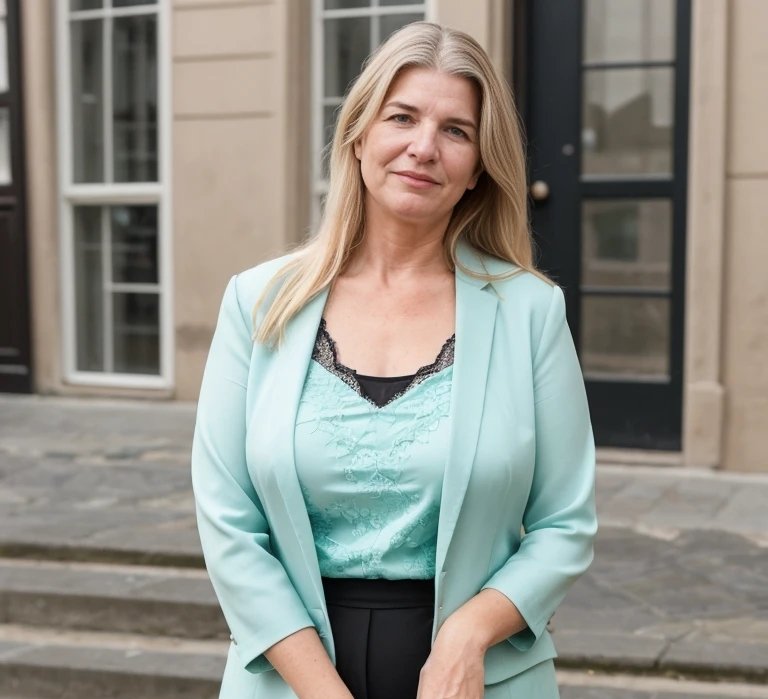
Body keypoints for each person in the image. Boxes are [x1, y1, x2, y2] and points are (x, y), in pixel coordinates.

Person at [191, 21, 597, 699]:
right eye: (402, 117)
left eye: (455, 131)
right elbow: (228, 523)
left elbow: (566, 524)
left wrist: (468, 636)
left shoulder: (531, 311)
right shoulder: (257, 302)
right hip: (294, 673)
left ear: (478, 167)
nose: (423, 147)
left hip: (475, 679)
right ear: (358, 137)